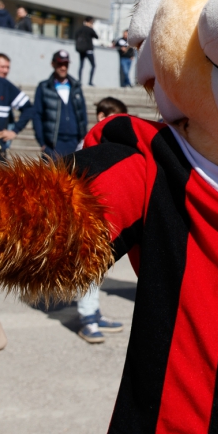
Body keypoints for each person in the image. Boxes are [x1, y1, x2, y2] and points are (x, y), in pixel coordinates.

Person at [75, 96, 130, 344]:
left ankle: (94, 313)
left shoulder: (107, 144)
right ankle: (87, 319)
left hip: (103, 215)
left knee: (97, 268)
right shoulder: (87, 144)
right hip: (87, 215)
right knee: (87, 267)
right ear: (101, 117)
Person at [30, 50, 88, 156]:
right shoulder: (44, 87)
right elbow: (37, 115)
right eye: (60, 64)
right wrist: (42, 143)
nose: (63, 68)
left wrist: (83, 138)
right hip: (53, 144)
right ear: (53, 64)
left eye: (66, 64)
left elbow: (83, 113)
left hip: (75, 142)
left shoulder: (76, 86)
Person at [75, 17, 100, 86]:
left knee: (81, 65)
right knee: (93, 65)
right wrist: (92, 28)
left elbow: (76, 35)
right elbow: (96, 37)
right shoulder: (90, 29)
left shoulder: (80, 28)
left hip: (81, 49)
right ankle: (90, 82)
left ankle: (80, 81)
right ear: (90, 22)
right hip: (89, 49)